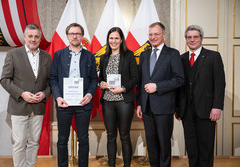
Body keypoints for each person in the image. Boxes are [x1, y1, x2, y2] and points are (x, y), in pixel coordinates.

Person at [0, 24, 51, 167]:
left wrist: (45, 94)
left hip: (38, 107)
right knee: (20, 143)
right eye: (30, 36)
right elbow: (4, 80)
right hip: (19, 107)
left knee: (34, 142)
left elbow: (50, 82)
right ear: (24, 37)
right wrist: (22, 93)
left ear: (40, 38)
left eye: (36, 37)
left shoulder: (47, 57)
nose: (33, 39)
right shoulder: (13, 54)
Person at [176, 25, 226, 167]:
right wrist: (178, 108)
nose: (192, 40)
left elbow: (220, 84)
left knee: (206, 149)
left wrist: (217, 107)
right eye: (189, 37)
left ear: (201, 38)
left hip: (207, 110)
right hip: (186, 112)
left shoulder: (213, 56)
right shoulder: (181, 58)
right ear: (186, 39)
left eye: (195, 37)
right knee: (191, 149)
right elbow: (179, 87)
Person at [136, 22, 184, 167]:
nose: (153, 37)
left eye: (156, 34)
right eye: (150, 34)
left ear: (164, 34)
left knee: (164, 143)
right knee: (151, 143)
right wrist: (139, 103)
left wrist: (157, 86)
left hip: (164, 106)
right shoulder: (144, 55)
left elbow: (179, 79)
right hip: (146, 107)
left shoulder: (173, 54)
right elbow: (141, 81)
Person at [50, 23, 97, 167]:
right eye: (72, 33)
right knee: (63, 139)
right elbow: (53, 78)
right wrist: (58, 97)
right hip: (64, 103)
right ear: (67, 36)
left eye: (77, 33)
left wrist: (89, 94)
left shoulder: (89, 56)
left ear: (82, 36)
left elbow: (94, 79)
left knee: (83, 139)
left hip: (83, 103)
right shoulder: (59, 55)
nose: (75, 36)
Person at [99, 27, 139, 167]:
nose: (114, 41)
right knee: (110, 136)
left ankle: (127, 165)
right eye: (111, 38)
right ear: (108, 40)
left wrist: (123, 88)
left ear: (121, 39)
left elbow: (135, 78)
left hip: (124, 101)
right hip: (107, 102)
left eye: (116, 38)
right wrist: (101, 84)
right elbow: (101, 78)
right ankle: (111, 164)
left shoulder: (129, 55)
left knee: (124, 135)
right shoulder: (104, 57)